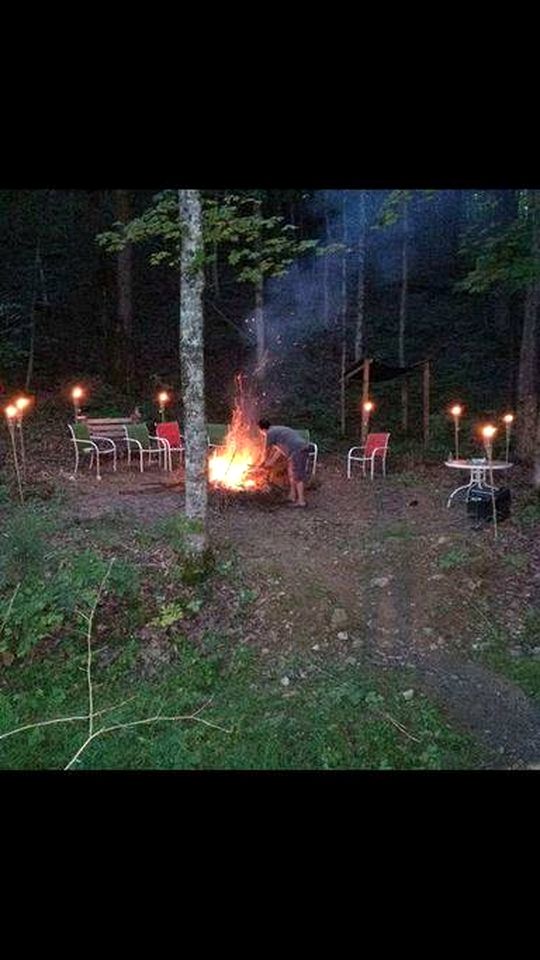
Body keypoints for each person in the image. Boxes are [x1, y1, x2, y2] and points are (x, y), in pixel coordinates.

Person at [258, 419, 310, 508]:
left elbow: (265, 451)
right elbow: (279, 451)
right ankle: (292, 496)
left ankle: (301, 501)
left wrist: (262, 463)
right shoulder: (276, 430)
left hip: (298, 450)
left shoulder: (270, 433)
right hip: (296, 450)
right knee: (291, 473)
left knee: (297, 475)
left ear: (262, 429)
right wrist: (270, 462)